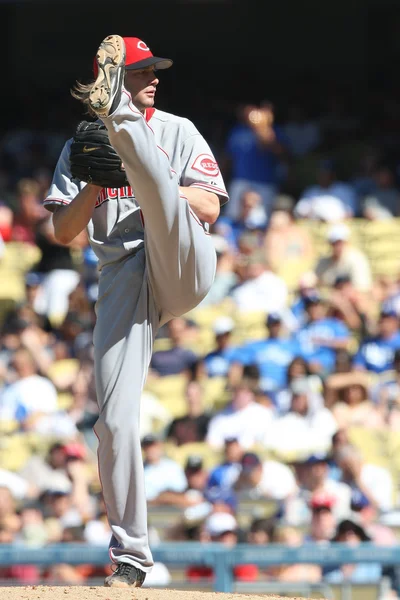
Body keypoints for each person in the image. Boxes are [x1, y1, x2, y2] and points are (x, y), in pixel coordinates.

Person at [46, 34, 228, 587]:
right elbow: (63, 231)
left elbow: (210, 206)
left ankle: (121, 122)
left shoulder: (177, 129)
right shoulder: (81, 145)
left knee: (161, 197)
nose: (156, 75)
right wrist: (98, 186)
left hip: (179, 257)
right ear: (116, 74)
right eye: (143, 69)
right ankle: (131, 555)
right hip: (122, 272)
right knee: (115, 420)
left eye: (155, 69)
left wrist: (154, 183)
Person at [314, 223, 372, 293]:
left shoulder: (357, 260)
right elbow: (314, 279)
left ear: (347, 242)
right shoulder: (324, 262)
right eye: (335, 243)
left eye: (340, 243)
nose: (338, 247)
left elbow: (362, 288)